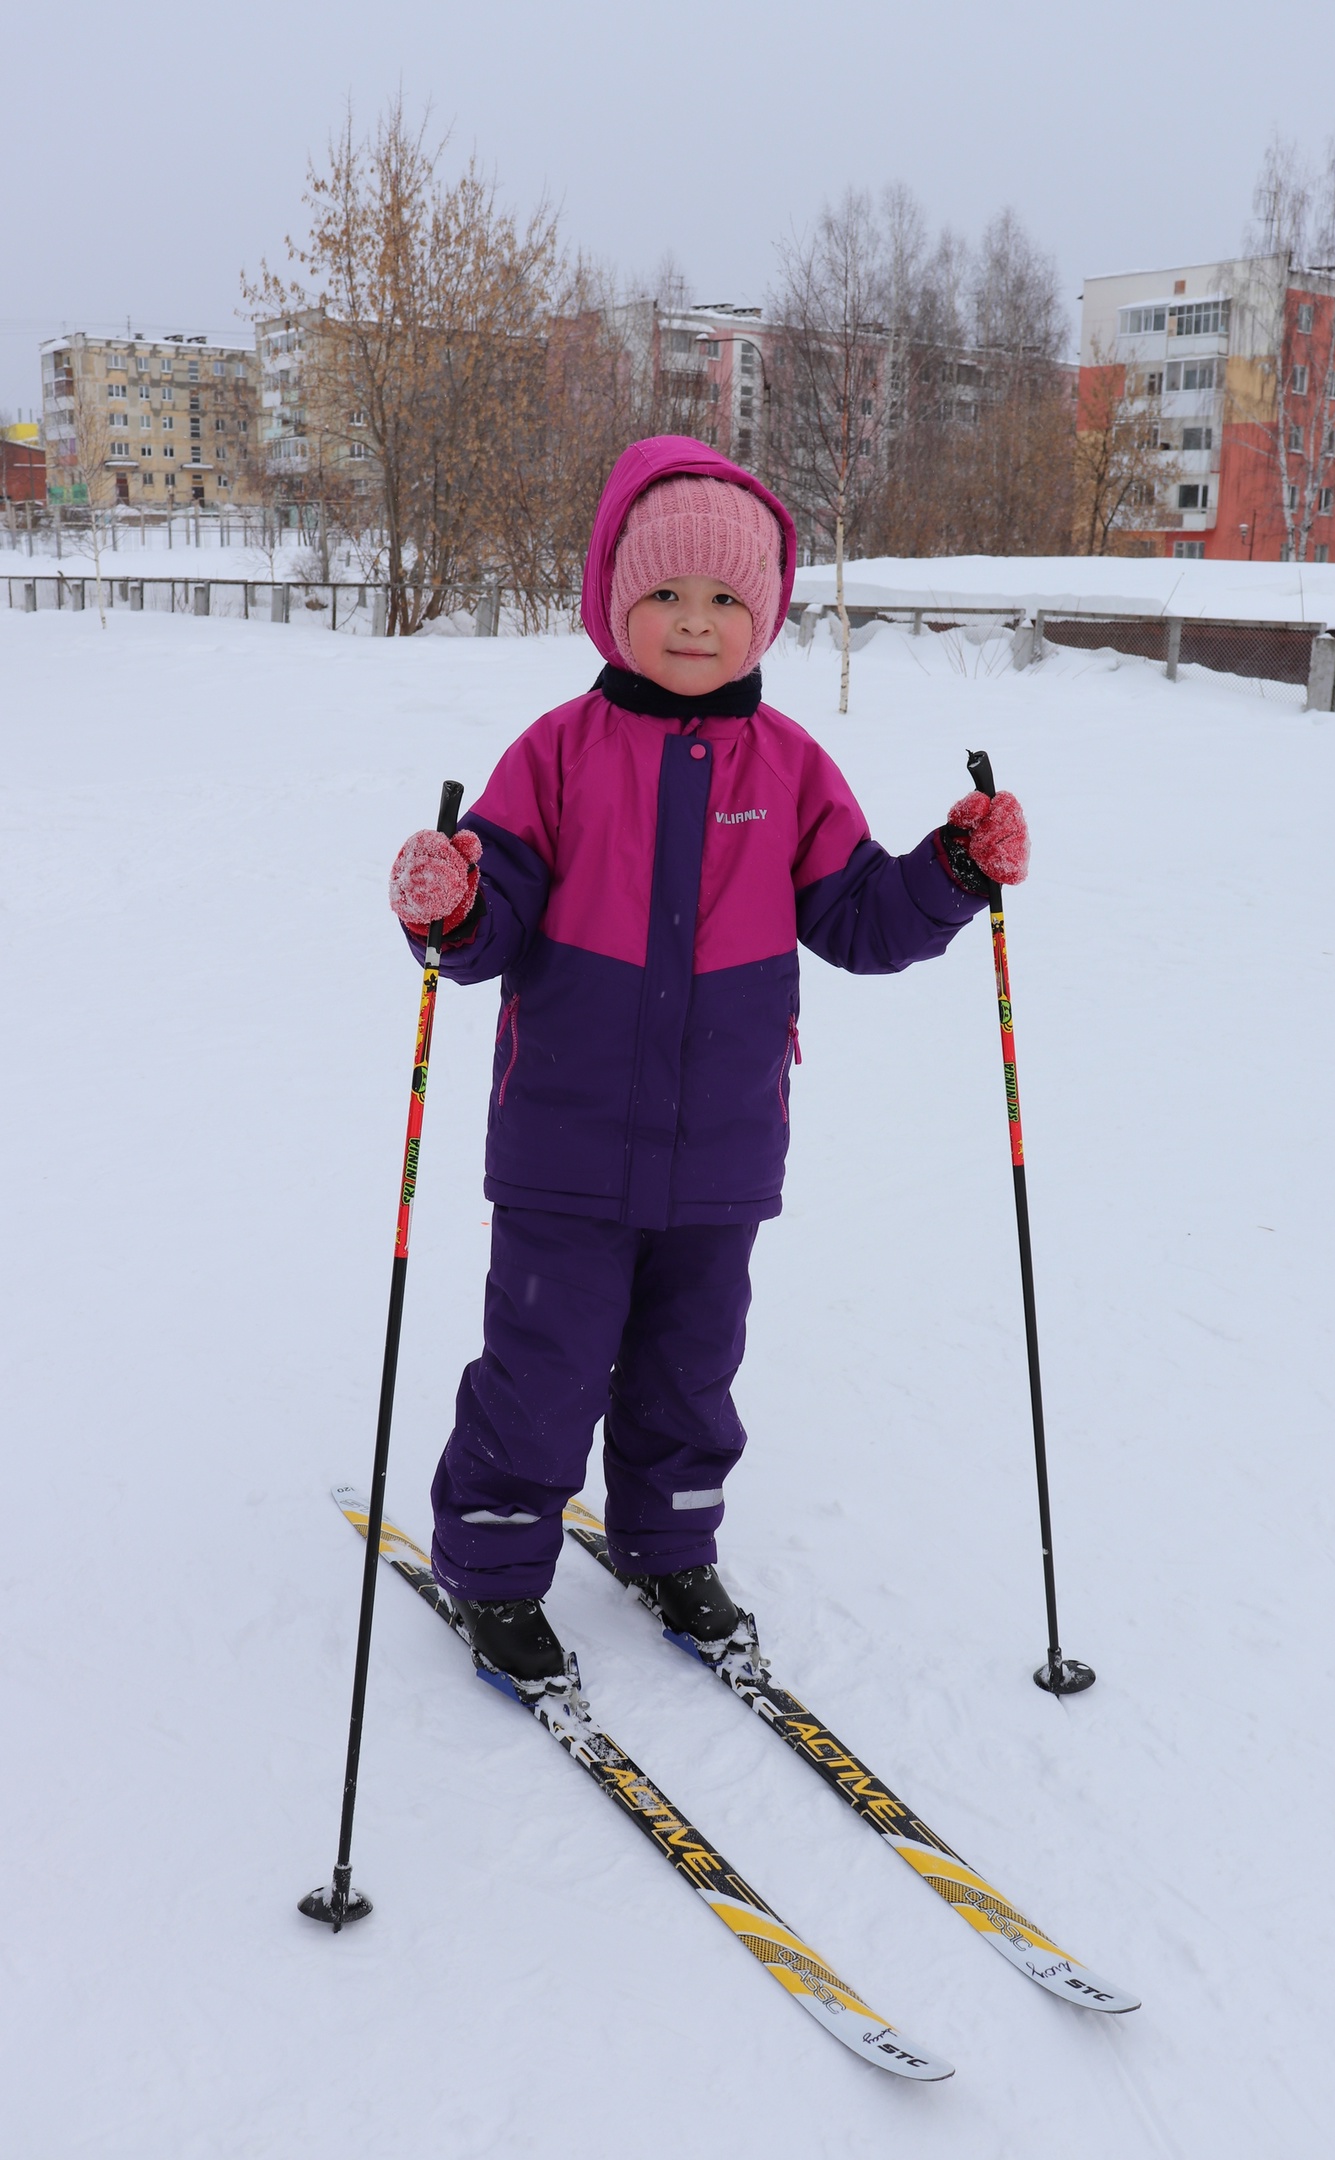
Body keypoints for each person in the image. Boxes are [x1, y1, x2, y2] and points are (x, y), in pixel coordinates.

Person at [387, 435, 1029, 1699]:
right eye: (666, 596)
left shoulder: (789, 768)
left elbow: (857, 919)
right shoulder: (557, 755)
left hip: (725, 1142)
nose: (695, 624)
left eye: (726, 599)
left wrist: (947, 877)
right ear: (615, 603)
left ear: (766, 616)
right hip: (565, 1141)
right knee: (545, 1364)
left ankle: (669, 1541)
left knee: (693, 1366)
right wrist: (451, 905)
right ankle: (497, 1561)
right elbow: (489, 920)